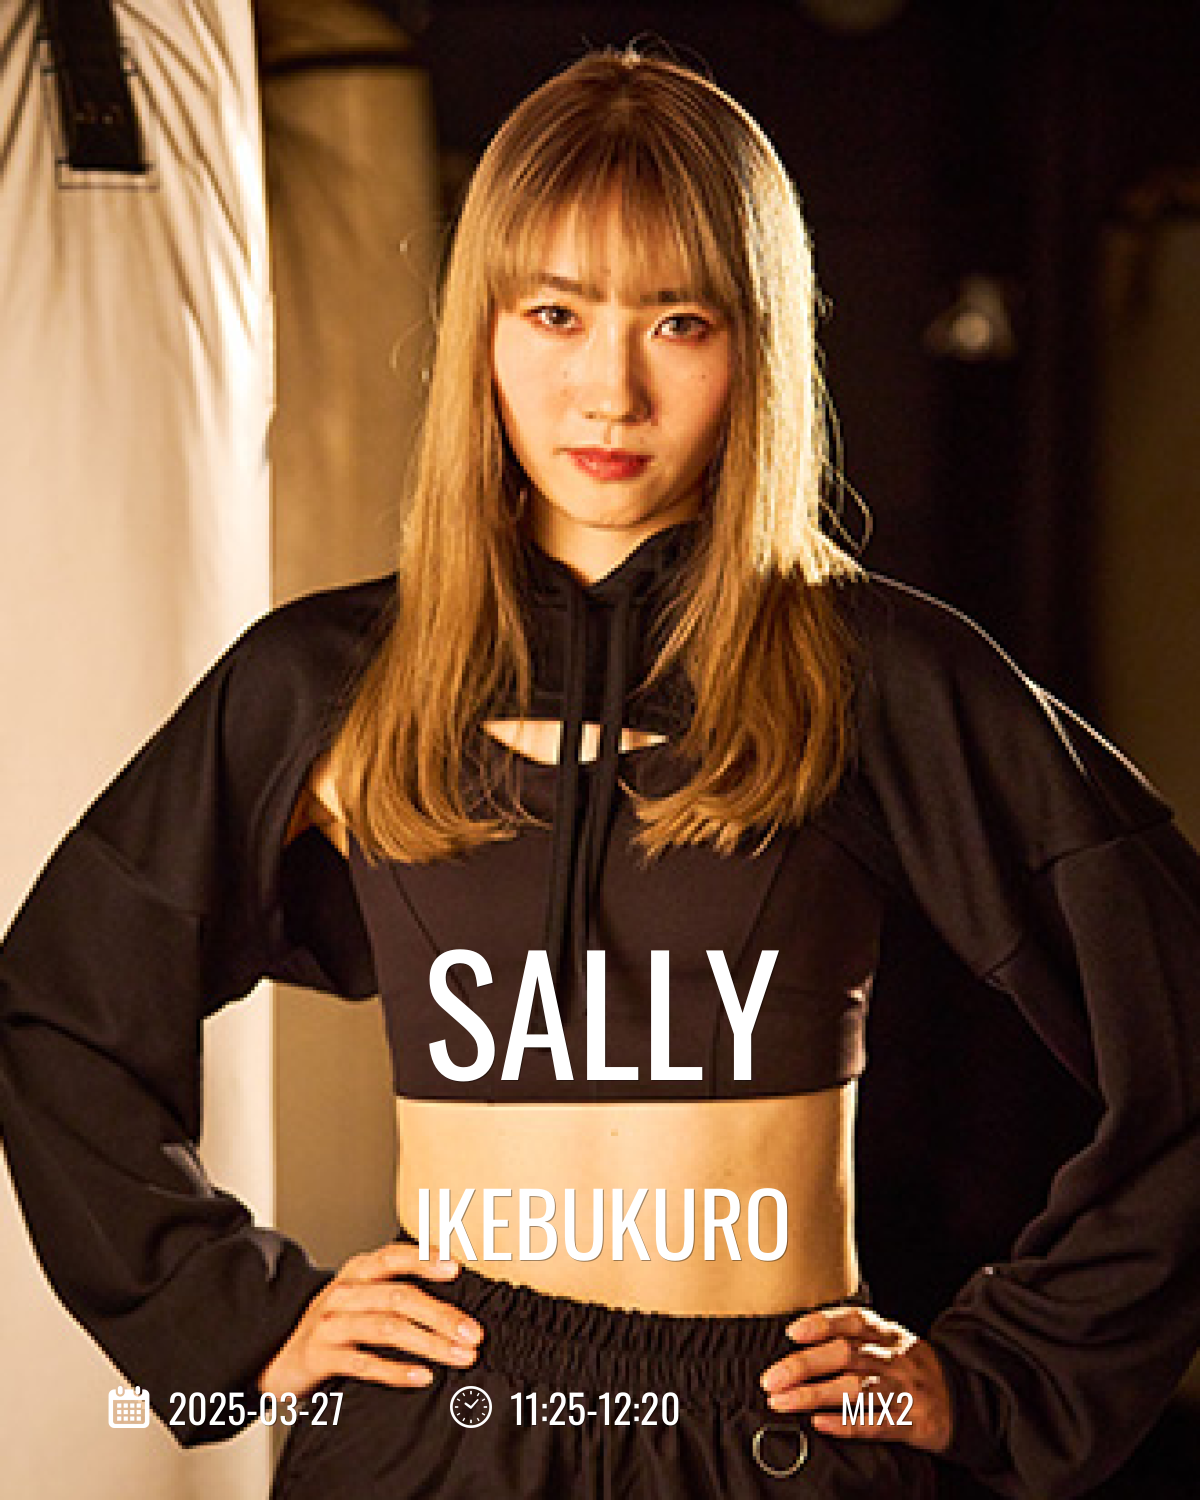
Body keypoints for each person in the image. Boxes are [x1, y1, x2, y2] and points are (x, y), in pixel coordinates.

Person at [2, 46, 1198, 1500]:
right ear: (484, 329)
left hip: (770, 1436)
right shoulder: (328, 678)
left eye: (677, 322)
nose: (609, 391)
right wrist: (231, 1330)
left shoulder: (875, 675)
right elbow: (60, 1005)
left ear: (755, 343)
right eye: (555, 314)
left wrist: (1008, 1382)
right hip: (437, 1434)